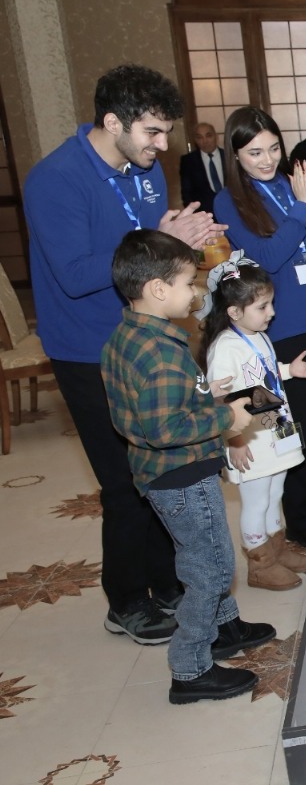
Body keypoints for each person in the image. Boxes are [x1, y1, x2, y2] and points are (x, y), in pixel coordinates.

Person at [24, 63, 226, 646]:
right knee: (123, 480)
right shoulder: (55, 179)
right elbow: (77, 274)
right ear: (112, 122)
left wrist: (168, 236)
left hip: (153, 337)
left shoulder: (144, 170)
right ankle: (127, 599)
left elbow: (146, 254)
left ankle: (167, 583)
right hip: (91, 349)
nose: (162, 147)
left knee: (166, 469)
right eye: (152, 134)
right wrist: (167, 244)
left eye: (166, 134)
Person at [101, 228, 275, 704]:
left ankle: (226, 627)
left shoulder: (129, 337)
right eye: (187, 284)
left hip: (167, 473)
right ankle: (191, 668)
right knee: (212, 569)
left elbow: (147, 411)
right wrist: (229, 416)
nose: (196, 293)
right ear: (158, 289)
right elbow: (164, 429)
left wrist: (209, 394)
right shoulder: (159, 354)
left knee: (207, 556)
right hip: (181, 475)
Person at [215, 106, 306, 550]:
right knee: (289, 426)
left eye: (274, 147)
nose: (267, 158)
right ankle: (299, 520)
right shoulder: (230, 199)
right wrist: (301, 206)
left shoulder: (293, 183)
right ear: (235, 155)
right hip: (279, 327)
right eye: (254, 151)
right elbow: (271, 256)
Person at [200, 254, 306, 591]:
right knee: (257, 499)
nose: (272, 313)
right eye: (263, 307)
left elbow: (263, 373)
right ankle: (260, 563)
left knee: (275, 491)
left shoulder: (257, 334)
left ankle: (276, 548)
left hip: (276, 424)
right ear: (234, 312)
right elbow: (219, 398)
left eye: (271, 304)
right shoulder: (225, 347)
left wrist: (289, 371)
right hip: (248, 437)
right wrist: (233, 441)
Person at [179, 121, 226, 216]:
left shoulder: (229, 157)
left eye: (209, 136)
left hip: (232, 212)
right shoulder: (188, 161)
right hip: (205, 216)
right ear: (195, 140)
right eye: (199, 137)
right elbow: (186, 193)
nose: (205, 141)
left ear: (216, 137)